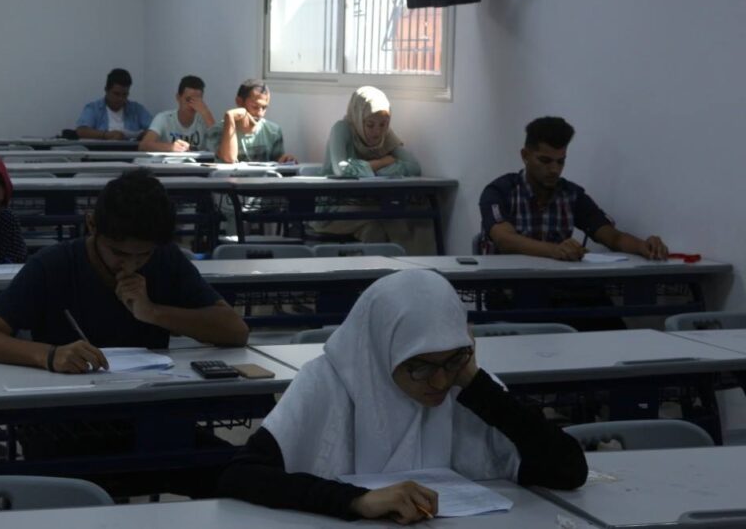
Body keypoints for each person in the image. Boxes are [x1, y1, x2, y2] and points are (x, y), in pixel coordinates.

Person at [217, 269, 587, 522]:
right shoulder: (329, 382)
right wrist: (356, 499)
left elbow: (568, 469)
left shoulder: (467, 385)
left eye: (453, 360)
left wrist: (474, 381)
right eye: (421, 366)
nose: (440, 383)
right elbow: (240, 475)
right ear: (382, 351)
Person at [0, 170, 248, 485]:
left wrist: (154, 313)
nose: (131, 264)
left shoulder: (166, 260)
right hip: (63, 425)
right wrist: (50, 355)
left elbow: (235, 330)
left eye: (143, 255)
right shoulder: (54, 264)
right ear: (92, 224)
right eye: (120, 253)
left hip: (148, 419)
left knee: (236, 472)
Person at [479, 116, 668, 261]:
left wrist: (643, 246)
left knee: (604, 308)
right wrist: (554, 250)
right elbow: (504, 240)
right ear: (525, 155)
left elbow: (612, 237)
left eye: (561, 161)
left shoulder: (571, 195)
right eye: (545, 161)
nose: (554, 169)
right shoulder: (499, 191)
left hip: (559, 288)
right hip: (509, 289)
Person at [310, 86, 430, 250]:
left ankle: (408, 270)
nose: (377, 132)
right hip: (333, 209)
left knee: (388, 225)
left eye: (383, 124)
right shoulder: (342, 129)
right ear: (359, 118)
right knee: (388, 224)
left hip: (369, 205)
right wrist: (382, 162)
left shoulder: (386, 134)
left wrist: (374, 171)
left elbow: (414, 167)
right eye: (370, 124)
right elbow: (342, 170)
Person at [204, 79, 296, 164]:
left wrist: (285, 159)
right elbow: (229, 158)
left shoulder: (273, 131)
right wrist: (230, 116)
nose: (260, 113)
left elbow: (277, 163)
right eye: (255, 107)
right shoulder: (216, 131)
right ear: (239, 102)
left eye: (264, 108)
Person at [138, 75, 214, 152]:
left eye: (197, 101)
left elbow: (220, 147)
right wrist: (171, 147)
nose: (192, 105)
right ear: (178, 98)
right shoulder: (164, 118)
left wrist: (206, 112)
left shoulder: (204, 119)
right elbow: (144, 145)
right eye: (188, 99)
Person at [74, 68, 153, 141]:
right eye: (116, 94)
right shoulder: (93, 108)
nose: (120, 99)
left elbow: (155, 129)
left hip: (131, 153)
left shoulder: (137, 109)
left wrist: (144, 135)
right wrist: (105, 135)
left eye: (125, 94)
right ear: (106, 90)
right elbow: (81, 131)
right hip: (101, 153)